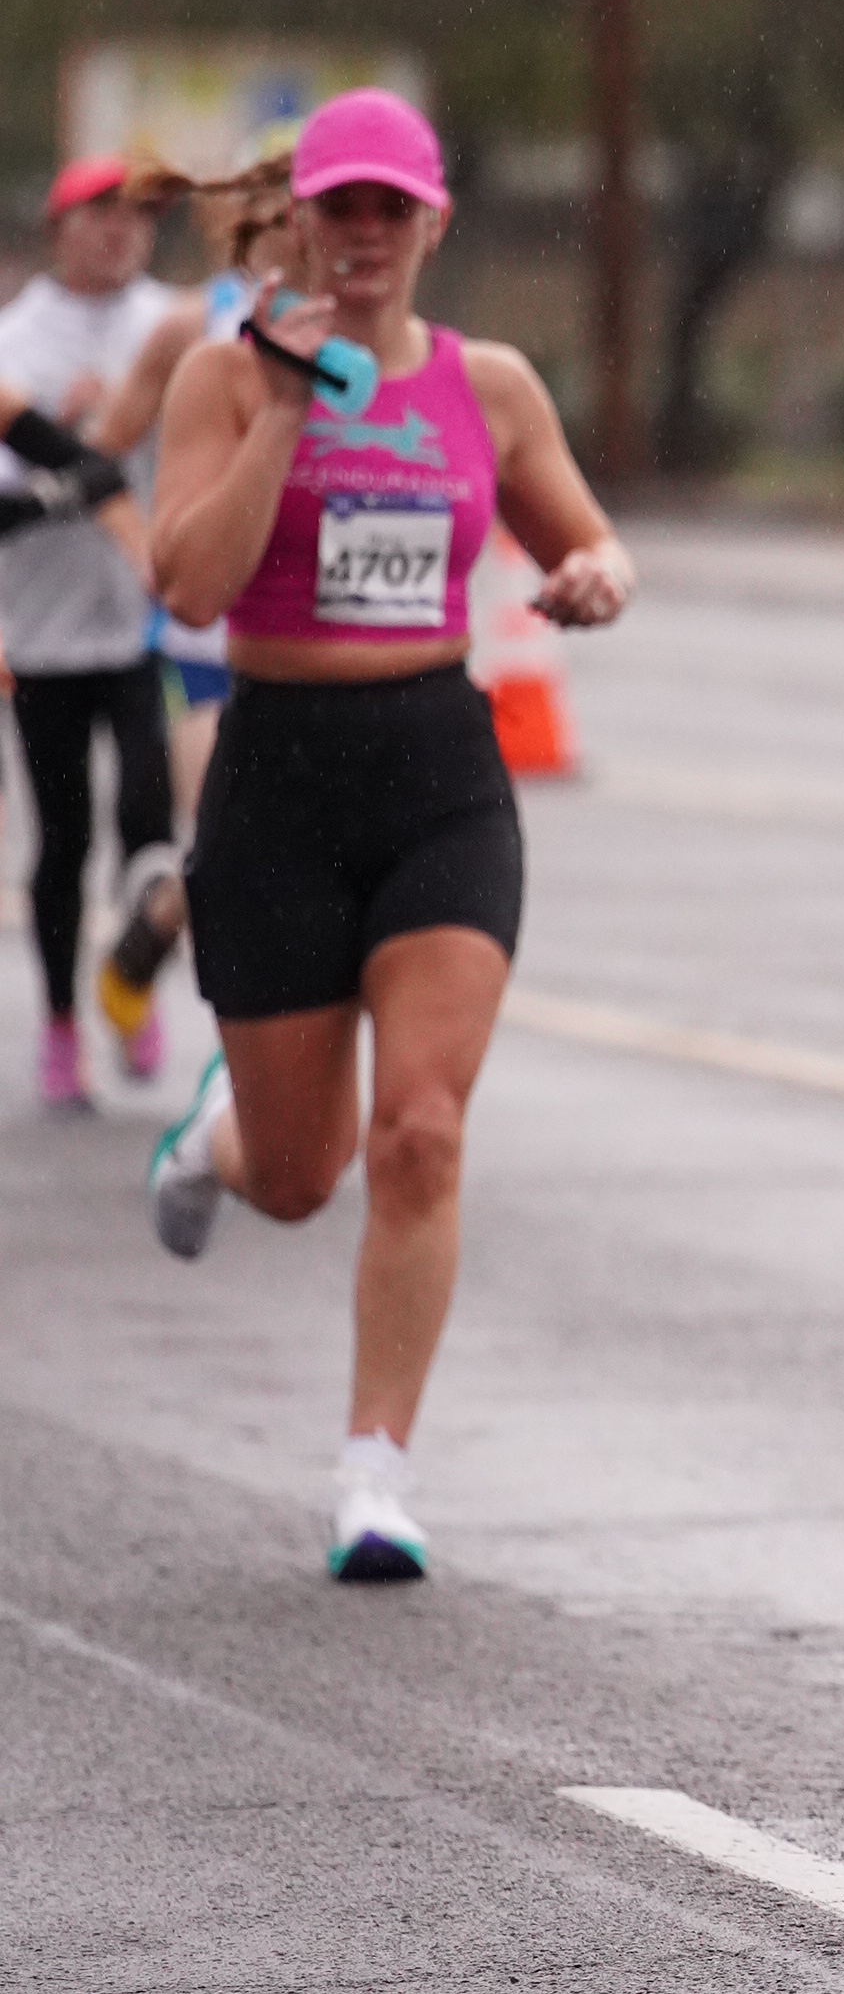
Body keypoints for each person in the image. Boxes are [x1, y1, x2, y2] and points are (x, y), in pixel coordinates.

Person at [142, 87, 633, 1585]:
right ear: (297, 222)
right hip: (276, 778)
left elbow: (586, 536)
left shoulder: (489, 386)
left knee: (419, 1131)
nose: (363, 233)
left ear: (433, 225)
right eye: (338, 207)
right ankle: (221, 1138)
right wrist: (292, 408)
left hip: (437, 774)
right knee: (302, 1179)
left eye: (388, 210)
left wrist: (597, 576)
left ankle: (375, 1473)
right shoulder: (221, 379)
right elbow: (188, 586)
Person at [78, 139, 304, 1047]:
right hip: (203, 640)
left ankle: (164, 913)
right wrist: (145, 543)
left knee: (299, 847)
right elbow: (100, 454)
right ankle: (232, 1045)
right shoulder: (194, 326)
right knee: (233, 839)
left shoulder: (368, 329)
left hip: (313, 632)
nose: (310, 223)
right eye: (287, 202)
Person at [0, 154, 182, 1106]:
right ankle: (62, 1023)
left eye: (138, 217)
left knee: (151, 825)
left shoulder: (173, 325)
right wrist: (75, 464)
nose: (121, 232)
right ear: (59, 226)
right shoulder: (17, 341)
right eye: (100, 214)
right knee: (63, 839)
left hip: (147, 624)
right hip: (43, 629)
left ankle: (132, 980)